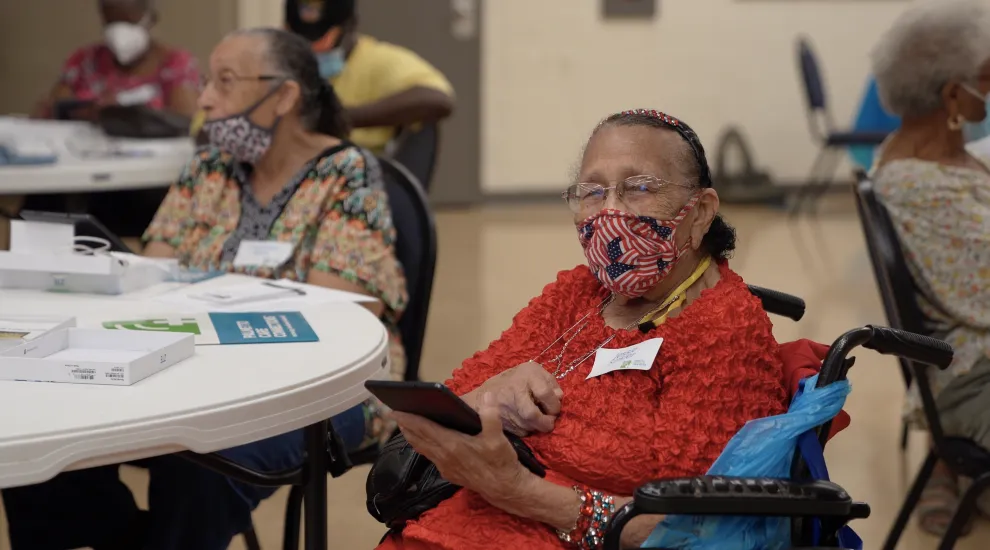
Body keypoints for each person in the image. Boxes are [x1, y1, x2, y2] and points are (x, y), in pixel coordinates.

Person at [1, 28, 406, 550]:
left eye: (225, 82)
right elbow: (152, 276)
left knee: (201, 467)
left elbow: (341, 304)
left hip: (320, 391)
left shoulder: (346, 173)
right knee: (45, 439)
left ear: (285, 95)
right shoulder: (208, 166)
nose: (206, 98)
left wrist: (198, 292)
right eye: (206, 81)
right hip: (193, 374)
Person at [379, 109, 788, 550]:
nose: (610, 211)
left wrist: (517, 490)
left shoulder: (721, 332)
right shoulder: (579, 294)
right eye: (593, 192)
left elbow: (694, 530)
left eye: (640, 188)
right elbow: (449, 404)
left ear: (702, 210)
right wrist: (489, 394)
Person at [870, 0, 990, 537]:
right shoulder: (925, 188)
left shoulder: (926, 157)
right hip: (972, 380)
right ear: (952, 95)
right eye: (985, 77)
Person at [284, 0, 454, 153]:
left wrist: (342, 118)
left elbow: (439, 99)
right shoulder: (278, 63)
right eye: (300, 39)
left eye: (321, 40)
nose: (311, 49)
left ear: (350, 26)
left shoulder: (374, 61)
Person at [33, 0, 199, 121]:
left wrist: (120, 117)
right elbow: (54, 110)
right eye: (111, 21)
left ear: (151, 19)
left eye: (128, 21)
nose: (119, 31)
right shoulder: (84, 61)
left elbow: (186, 121)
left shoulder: (175, 64)